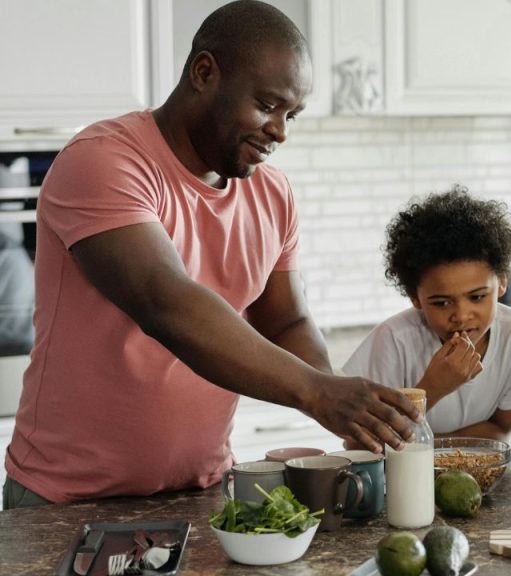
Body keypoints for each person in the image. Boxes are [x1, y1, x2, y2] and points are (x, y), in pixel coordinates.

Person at [3, 0, 417, 509]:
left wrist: (340, 403)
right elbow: (166, 302)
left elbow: (286, 321)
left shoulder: (272, 192)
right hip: (68, 500)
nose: (281, 131)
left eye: (292, 114)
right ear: (204, 72)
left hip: (203, 491)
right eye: (267, 105)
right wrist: (317, 392)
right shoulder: (103, 161)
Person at [343, 186, 511, 441]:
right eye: (441, 303)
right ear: (414, 297)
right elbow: (359, 443)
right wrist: (432, 388)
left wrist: (427, 448)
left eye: (477, 297)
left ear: (503, 282)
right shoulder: (393, 341)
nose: (461, 315)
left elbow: (501, 429)